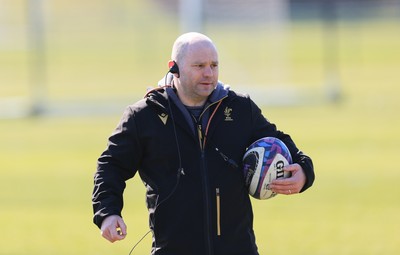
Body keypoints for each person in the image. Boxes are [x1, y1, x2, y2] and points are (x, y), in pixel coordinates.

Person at [92, 32, 314, 255]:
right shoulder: (144, 116)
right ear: (174, 67)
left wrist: (304, 171)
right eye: (199, 66)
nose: (209, 73)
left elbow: (280, 142)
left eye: (214, 65)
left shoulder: (239, 108)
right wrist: (108, 213)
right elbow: (111, 165)